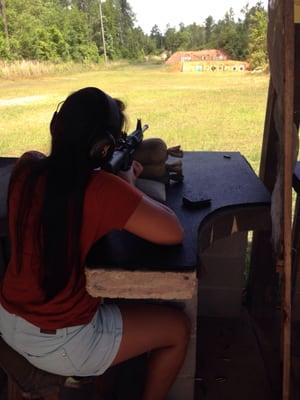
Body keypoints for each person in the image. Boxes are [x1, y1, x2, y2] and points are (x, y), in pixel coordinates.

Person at [0, 87, 190, 400]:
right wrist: (126, 178)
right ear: (104, 148)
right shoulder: (100, 188)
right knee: (177, 329)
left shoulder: (27, 167)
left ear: (55, 125)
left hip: (8, 320)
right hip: (61, 342)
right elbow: (172, 231)